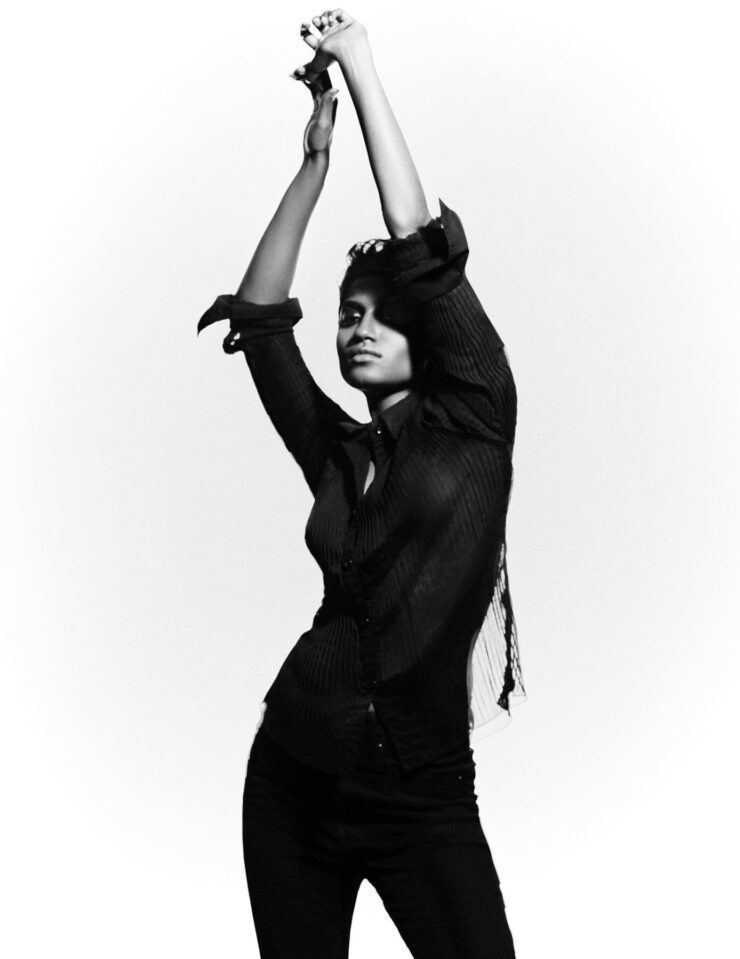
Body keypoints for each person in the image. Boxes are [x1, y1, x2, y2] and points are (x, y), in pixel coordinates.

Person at [197, 9, 525, 958]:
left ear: (430, 332)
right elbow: (263, 321)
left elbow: (416, 236)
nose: (358, 329)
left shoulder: (479, 417)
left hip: (422, 796)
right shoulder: (336, 450)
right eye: (348, 315)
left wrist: (359, 61)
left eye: (382, 314)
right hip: (292, 778)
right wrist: (312, 169)